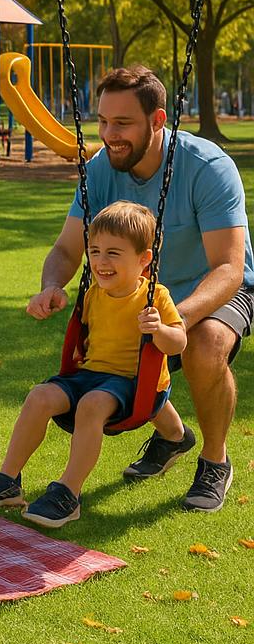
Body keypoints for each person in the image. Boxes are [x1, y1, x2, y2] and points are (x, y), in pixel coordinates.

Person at [27, 66, 254, 512]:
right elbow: (66, 249)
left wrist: (176, 320)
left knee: (203, 347)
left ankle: (214, 460)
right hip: (140, 294)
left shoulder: (207, 167)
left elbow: (229, 267)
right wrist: (52, 284)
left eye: (123, 123)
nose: (110, 134)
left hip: (216, 290)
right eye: (104, 122)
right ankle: (173, 436)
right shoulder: (100, 170)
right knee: (118, 348)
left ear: (157, 120)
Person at [0, 202, 187, 527]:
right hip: (88, 374)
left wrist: (160, 329)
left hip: (133, 383)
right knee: (40, 395)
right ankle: (8, 480)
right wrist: (50, 300)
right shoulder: (93, 294)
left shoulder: (155, 297)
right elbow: (78, 330)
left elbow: (178, 343)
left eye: (114, 253)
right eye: (95, 251)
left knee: (92, 404)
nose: (101, 261)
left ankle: (68, 493)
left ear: (143, 259)